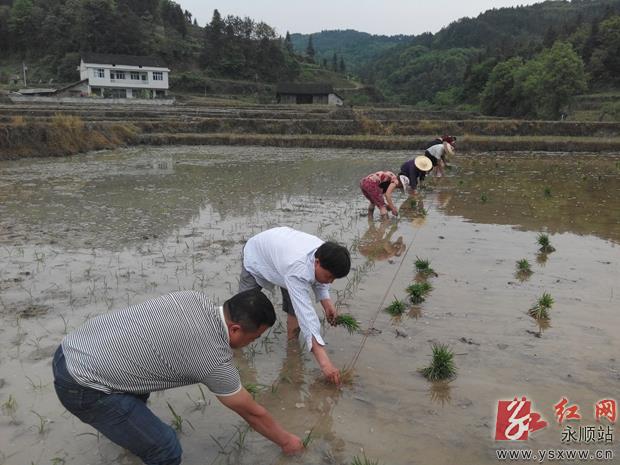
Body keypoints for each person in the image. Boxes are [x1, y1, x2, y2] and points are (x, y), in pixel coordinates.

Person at [52, 289, 304, 465]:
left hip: (71, 348)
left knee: (141, 387)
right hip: (82, 385)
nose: (252, 343)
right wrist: (288, 442)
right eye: (255, 337)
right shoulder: (213, 358)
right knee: (166, 449)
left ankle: (133, 440)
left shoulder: (192, 298)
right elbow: (252, 412)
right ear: (235, 329)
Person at [239, 226, 351, 385]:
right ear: (317, 262)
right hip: (257, 254)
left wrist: (327, 304)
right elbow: (307, 316)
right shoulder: (297, 268)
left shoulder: (324, 253)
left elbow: (320, 279)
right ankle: (234, 349)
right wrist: (325, 364)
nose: (330, 282)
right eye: (330, 277)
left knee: (294, 306)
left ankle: (292, 346)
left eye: (334, 279)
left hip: (281, 255)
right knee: (243, 309)